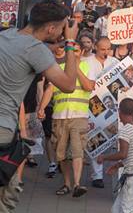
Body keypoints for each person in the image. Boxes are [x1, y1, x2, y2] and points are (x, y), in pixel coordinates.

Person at [0, 1, 81, 210]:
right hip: (3, 128)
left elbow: (32, 50)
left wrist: (54, 47)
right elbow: (69, 85)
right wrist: (71, 43)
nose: (64, 32)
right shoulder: (37, 51)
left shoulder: (7, 35)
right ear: (51, 28)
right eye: (63, 27)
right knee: (6, 197)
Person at [38, 31, 96, 199]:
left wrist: (76, 67)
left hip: (79, 116)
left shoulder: (87, 66)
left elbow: (88, 86)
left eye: (76, 51)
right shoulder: (59, 69)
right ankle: (67, 183)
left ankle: (77, 184)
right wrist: (41, 107)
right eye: (71, 51)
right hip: (59, 116)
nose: (73, 54)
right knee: (61, 154)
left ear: (82, 52)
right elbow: (50, 89)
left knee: (77, 151)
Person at [97, 98, 133, 213]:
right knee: (116, 210)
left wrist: (104, 157)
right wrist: (118, 165)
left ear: (119, 111)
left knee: (127, 210)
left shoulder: (125, 130)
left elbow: (123, 154)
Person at [83, 36, 120, 188]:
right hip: (93, 104)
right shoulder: (86, 63)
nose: (105, 52)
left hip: (112, 105)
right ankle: (97, 175)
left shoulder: (115, 63)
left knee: (116, 139)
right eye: (102, 49)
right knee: (96, 138)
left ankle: (117, 172)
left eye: (108, 49)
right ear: (96, 48)